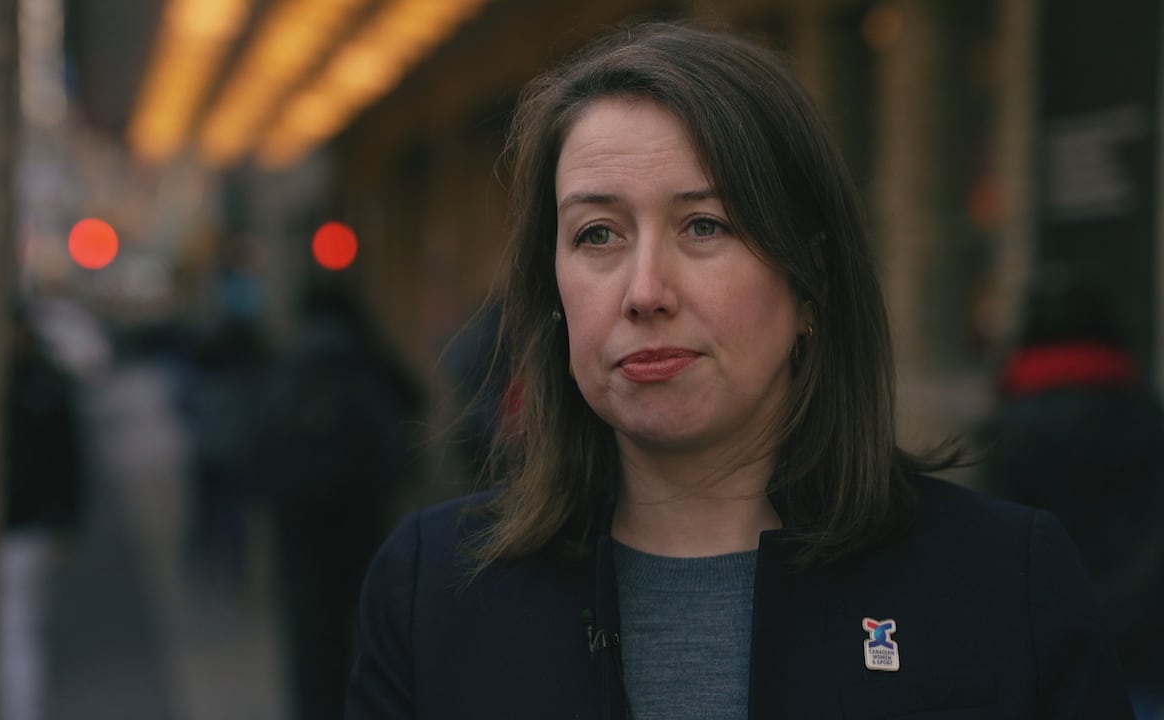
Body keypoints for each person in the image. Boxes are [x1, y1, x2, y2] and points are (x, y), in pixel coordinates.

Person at [345, 21, 1133, 719]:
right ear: (551, 290)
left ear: (809, 282)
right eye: (597, 235)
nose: (645, 291)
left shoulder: (1004, 585)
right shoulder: (433, 592)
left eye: (704, 225)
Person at [979, 265, 1164, 719]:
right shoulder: (1150, 419)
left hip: (1053, 651)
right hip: (1148, 647)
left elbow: (993, 555)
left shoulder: (1012, 430)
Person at [256, 280, 424, 720]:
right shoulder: (365, 356)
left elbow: (257, 443)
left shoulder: (287, 365)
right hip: (363, 515)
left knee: (311, 634)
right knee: (372, 623)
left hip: (301, 525)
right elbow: (413, 400)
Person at [0, 302, 87, 720]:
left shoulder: (39, 383)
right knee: (18, 626)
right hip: (18, 523)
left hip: (24, 524)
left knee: (18, 627)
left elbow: (67, 458)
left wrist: (67, 521)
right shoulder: (35, 381)